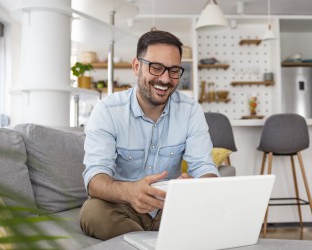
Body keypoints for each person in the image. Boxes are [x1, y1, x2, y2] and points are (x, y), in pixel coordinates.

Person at [80, 30, 219, 240]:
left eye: (173, 71)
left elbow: (204, 167)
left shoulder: (190, 110)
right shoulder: (107, 110)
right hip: (123, 206)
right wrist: (129, 192)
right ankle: (162, 240)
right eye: (156, 68)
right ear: (137, 66)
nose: (165, 79)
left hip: (170, 207)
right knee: (93, 214)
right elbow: (95, 179)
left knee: (215, 210)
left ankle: (142, 241)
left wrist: (197, 186)